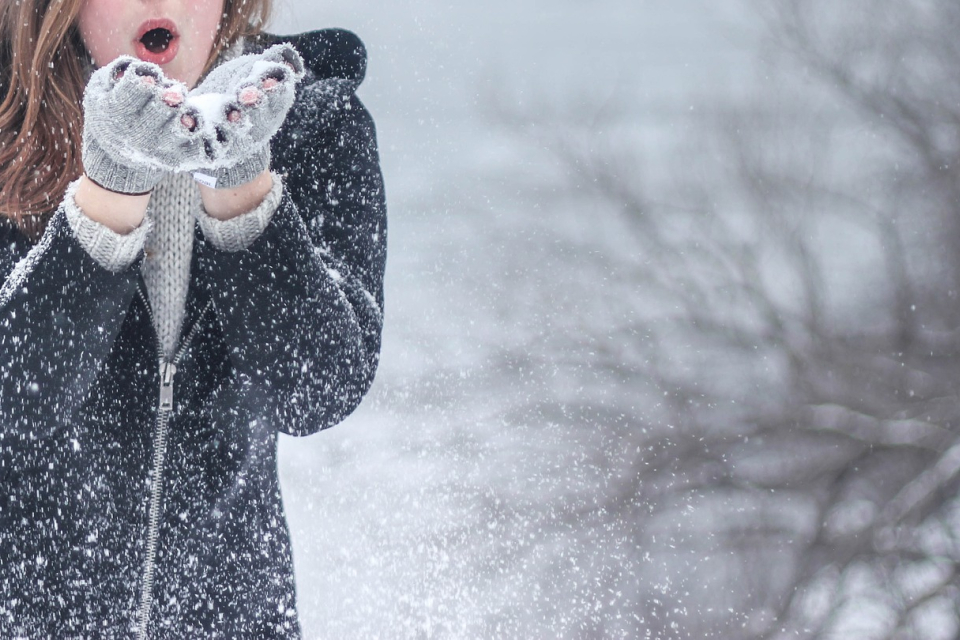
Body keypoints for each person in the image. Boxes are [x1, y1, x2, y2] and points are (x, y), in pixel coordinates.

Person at [0, 0, 387, 634]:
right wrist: (110, 193)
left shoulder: (314, 121)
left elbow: (321, 388)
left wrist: (242, 191)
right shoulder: (6, 122)